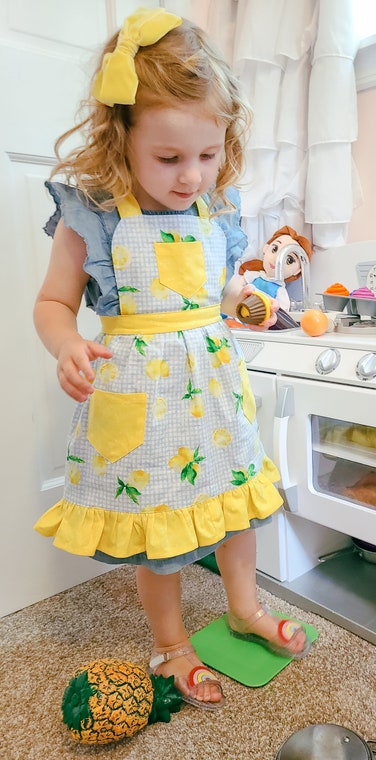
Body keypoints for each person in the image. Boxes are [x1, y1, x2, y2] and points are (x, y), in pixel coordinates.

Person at [33, 7, 311, 711]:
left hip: (213, 391)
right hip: (144, 405)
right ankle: (172, 642)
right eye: (169, 159)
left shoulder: (214, 207)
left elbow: (212, 284)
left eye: (208, 155)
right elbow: (52, 305)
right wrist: (68, 344)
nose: (192, 176)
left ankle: (244, 607)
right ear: (119, 135)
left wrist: (243, 294)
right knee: (161, 534)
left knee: (234, 513)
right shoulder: (93, 213)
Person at [239, 226, 312, 311]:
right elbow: (237, 286)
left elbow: (282, 312)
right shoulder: (255, 275)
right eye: (274, 249)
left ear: (298, 271)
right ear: (266, 248)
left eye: (289, 260)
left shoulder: (279, 291)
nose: (277, 259)